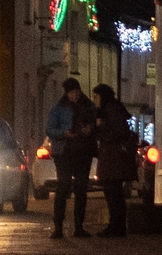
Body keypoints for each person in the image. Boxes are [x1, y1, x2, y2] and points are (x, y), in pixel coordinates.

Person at [44, 76, 96, 238]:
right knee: (63, 187)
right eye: (72, 93)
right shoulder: (58, 109)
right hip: (65, 151)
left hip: (83, 151)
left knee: (81, 189)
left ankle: (78, 226)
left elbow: (95, 123)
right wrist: (64, 133)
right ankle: (58, 226)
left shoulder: (88, 107)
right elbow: (50, 130)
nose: (75, 95)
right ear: (67, 93)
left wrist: (90, 129)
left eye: (77, 92)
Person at [92, 84, 135, 238]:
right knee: (113, 192)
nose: (94, 100)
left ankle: (116, 225)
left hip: (113, 157)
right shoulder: (111, 108)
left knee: (113, 192)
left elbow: (117, 132)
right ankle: (116, 225)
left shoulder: (110, 110)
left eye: (96, 96)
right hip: (111, 157)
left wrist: (99, 129)